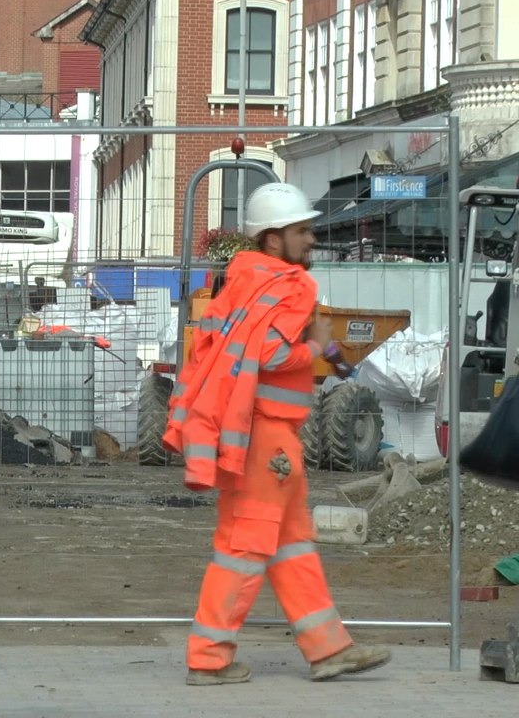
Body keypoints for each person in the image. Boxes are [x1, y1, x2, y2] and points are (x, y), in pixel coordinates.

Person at [164, 182, 392, 686]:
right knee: (245, 546)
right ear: (273, 238)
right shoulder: (291, 286)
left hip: (255, 435)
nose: (311, 239)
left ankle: (328, 648)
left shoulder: (242, 282)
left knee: (291, 546)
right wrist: (315, 348)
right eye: (301, 230)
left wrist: (313, 349)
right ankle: (209, 659)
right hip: (266, 440)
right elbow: (269, 353)